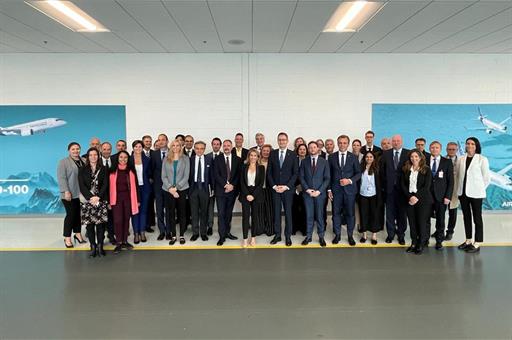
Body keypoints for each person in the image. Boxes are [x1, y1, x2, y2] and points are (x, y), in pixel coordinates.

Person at [456, 137, 490, 253]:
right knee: (466, 217)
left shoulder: (482, 159)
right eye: (467, 143)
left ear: (476, 146)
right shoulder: (460, 159)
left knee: (477, 218)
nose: (469, 145)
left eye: (472, 144)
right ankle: (468, 240)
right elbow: (458, 176)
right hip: (463, 193)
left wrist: (479, 189)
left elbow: (486, 178)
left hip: (476, 194)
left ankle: (477, 242)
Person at [328, 135, 361, 246]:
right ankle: (337, 235)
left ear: (348, 144)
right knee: (335, 213)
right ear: (337, 144)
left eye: (344, 143)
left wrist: (350, 181)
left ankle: (350, 235)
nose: (342, 145)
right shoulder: (331, 157)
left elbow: (358, 174)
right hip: (336, 191)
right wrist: (329, 190)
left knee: (350, 214)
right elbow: (329, 175)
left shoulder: (353, 157)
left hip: (350, 191)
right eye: (340, 143)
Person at [267, 132, 298, 246]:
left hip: (287, 190)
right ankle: (278, 235)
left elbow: (295, 173)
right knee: (276, 213)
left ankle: (288, 236)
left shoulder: (293, 154)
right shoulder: (273, 154)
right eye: (280, 140)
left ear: (287, 141)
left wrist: (286, 186)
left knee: (288, 213)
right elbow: (269, 173)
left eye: (284, 140)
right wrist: (274, 186)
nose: (282, 141)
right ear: (277, 141)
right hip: (275, 189)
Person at [401, 149, 432, 255]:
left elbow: (426, 186)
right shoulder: (406, 169)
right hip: (409, 199)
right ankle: (414, 243)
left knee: (421, 222)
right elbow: (403, 185)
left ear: (420, 158)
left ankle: (421, 243)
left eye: (416, 157)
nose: (413, 159)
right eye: (412, 157)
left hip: (423, 200)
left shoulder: (426, 169)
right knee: (412, 223)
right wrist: (410, 197)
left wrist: (416, 197)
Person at [78, 147, 109, 257]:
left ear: (98, 156)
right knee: (90, 226)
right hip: (87, 201)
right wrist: (91, 197)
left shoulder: (104, 169)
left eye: (95, 155)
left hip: (100, 201)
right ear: (88, 157)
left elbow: (105, 184)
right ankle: (93, 246)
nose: (93, 157)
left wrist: (98, 197)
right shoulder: (82, 169)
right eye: (90, 155)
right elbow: (82, 186)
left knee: (100, 225)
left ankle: (100, 246)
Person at [380, 134, 409, 245]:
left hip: (403, 190)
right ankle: (390, 234)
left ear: (401, 142)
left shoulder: (408, 153)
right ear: (392, 142)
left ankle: (401, 235)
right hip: (389, 189)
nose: (396, 143)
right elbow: (382, 171)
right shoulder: (386, 154)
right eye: (394, 141)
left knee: (402, 213)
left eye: (398, 141)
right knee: (390, 213)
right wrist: (384, 186)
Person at [300, 141, 330, 247]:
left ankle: (321, 236)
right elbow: (302, 177)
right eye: (310, 147)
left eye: (314, 147)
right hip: (307, 194)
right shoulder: (304, 162)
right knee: (309, 215)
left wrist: (319, 191)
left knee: (320, 216)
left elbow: (327, 179)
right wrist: (307, 189)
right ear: (308, 149)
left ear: (318, 149)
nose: (312, 149)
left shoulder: (324, 162)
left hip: (320, 194)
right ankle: (308, 236)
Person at [110, 150, 139, 254]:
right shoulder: (112, 170)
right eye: (121, 157)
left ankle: (125, 241)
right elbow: (108, 187)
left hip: (128, 198)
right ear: (117, 158)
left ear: (128, 159)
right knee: (118, 220)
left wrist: (138, 200)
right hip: (116, 199)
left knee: (127, 219)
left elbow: (136, 186)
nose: (123, 159)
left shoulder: (131, 170)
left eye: (125, 157)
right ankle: (118, 242)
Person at [57, 142, 86, 248]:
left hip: (80, 193)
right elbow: (62, 178)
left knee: (78, 215)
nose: (76, 151)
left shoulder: (84, 160)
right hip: (69, 193)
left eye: (77, 149)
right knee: (70, 215)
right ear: (69, 150)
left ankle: (78, 234)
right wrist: (66, 191)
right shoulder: (63, 162)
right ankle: (67, 237)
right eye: (73, 149)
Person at [162, 139, 190, 245]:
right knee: (170, 213)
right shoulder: (166, 159)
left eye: (177, 145)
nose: (175, 147)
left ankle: (181, 235)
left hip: (181, 190)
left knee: (182, 213)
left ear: (181, 146)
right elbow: (163, 176)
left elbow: (186, 176)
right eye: (173, 145)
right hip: (168, 190)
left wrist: (176, 188)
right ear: (171, 147)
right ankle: (173, 235)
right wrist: (171, 189)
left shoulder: (186, 159)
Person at [426, 141, 454, 250]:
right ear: (429, 148)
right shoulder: (424, 160)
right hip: (427, 196)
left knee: (440, 220)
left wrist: (448, 196)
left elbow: (450, 181)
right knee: (425, 219)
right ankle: (425, 239)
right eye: (432, 147)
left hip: (441, 196)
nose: (434, 149)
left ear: (440, 149)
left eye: (437, 147)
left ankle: (439, 241)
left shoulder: (447, 162)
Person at [214, 139, 241, 246]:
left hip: (232, 191)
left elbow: (238, 175)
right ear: (222, 147)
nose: (226, 147)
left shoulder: (237, 159)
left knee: (228, 213)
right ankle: (221, 236)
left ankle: (227, 232)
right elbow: (216, 174)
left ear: (232, 146)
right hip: (221, 191)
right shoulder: (217, 159)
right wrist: (225, 185)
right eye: (224, 145)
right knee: (221, 214)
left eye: (228, 145)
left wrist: (232, 186)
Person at [239, 149, 265, 247]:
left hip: (256, 194)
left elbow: (261, 183)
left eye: (255, 155)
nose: (253, 157)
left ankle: (253, 238)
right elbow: (241, 182)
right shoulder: (243, 167)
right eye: (251, 155)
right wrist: (247, 195)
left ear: (258, 157)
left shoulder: (261, 168)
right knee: (245, 217)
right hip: (245, 193)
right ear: (248, 156)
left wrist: (253, 195)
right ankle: (245, 239)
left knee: (255, 217)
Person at [188, 141, 213, 241]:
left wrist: (212, 189)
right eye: (197, 148)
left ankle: (203, 233)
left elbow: (212, 176)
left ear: (204, 149)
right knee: (194, 212)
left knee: (204, 212)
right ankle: (195, 233)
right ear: (194, 149)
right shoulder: (190, 160)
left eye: (201, 148)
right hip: (193, 188)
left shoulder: (209, 159)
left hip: (204, 188)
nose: (199, 150)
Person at [357, 151, 382, 245]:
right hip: (362, 195)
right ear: (364, 158)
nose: (369, 158)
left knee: (374, 215)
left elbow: (380, 183)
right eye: (367, 157)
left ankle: (374, 235)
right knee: (363, 214)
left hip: (374, 195)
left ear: (374, 158)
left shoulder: (377, 168)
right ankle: (364, 235)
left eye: (371, 157)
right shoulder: (360, 168)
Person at [131, 140, 152, 244]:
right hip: (133, 189)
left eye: (140, 147)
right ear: (133, 148)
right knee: (135, 211)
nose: (138, 148)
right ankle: (136, 233)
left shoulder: (147, 159)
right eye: (136, 146)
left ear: (142, 148)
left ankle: (142, 232)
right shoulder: (129, 160)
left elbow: (149, 173)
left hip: (145, 188)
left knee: (143, 211)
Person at [150, 134, 169, 240]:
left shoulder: (173, 152)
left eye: (163, 140)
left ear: (167, 141)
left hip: (170, 186)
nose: (161, 141)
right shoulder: (154, 154)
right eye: (159, 140)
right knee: (159, 209)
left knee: (169, 210)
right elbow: (151, 169)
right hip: (158, 186)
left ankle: (169, 230)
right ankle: (162, 230)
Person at [100, 141, 116, 244]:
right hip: (100, 195)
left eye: (108, 149)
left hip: (113, 194)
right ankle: (100, 240)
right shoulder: (96, 162)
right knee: (101, 219)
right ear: (101, 150)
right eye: (104, 149)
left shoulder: (115, 161)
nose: (106, 151)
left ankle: (111, 236)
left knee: (111, 217)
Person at [206, 137, 222, 236]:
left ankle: (222, 226)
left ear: (220, 146)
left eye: (217, 144)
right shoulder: (207, 156)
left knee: (221, 209)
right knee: (210, 207)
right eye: (214, 144)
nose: (216, 146)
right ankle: (210, 226)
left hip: (221, 187)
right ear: (212, 145)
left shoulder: (224, 156)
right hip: (209, 186)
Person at [444, 142, 460, 240]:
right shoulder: (442, 160)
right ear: (446, 150)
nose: (451, 151)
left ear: (457, 150)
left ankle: (450, 232)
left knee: (452, 212)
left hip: (455, 191)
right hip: (443, 190)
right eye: (449, 149)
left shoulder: (461, 161)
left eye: (453, 149)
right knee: (440, 212)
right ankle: (439, 230)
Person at [259, 144, 275, 237]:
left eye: (267, 151)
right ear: (261, 152)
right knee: (260, 210)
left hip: (270, 189)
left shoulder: (273, 162)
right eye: (264, 150)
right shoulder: (257, 161)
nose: (265, 152)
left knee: (269, 210)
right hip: (259, 189)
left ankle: (270, 229)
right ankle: (260, 229)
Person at [292, 144, 308, 236]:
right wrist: (296, 186)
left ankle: (303, 229)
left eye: (304, 149)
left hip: (306, 189)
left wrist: (303, 186)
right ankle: (294, 228)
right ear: (297, 151)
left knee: (304, 209)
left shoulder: (309, 160)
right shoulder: (293, 160)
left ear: (306, 151)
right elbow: (290, 173)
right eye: (300, 149)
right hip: (294, 188)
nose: (302, 151)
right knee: (294, 208)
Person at [142, 135, 156, 233]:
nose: (148, 143)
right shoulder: (136, 153)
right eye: (146, 141)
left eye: (150, 141)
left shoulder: (154, 153)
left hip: (152, 183)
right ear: (143, 142)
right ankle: (144, 224)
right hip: (142, 184)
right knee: (143, 205)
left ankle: (150, 223)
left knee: (150, 204)